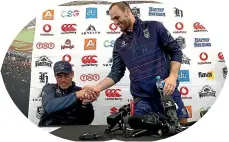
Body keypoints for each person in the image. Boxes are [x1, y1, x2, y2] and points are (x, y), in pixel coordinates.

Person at [82, 1, 189, 125]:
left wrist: (172, 77)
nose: (115, 23)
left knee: (180, 126)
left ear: (128, 12)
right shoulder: (119, 44)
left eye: (117, 17)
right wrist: (96, 88)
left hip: (167, 91)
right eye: (112, 20)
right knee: (142, 135)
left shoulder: (154, 27)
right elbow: (116, 73)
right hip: (142, 100)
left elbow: (176, 51)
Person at [38, 61, 94, 127]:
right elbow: (49, 106)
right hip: (50, 128)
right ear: (55, 76)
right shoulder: (49, 88)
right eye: (59, 76)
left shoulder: (80, 91)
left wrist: (85, 105)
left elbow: (86, 121)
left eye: (66, 76)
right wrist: (76, 95)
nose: (63, 80)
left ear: (72, 74)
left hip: (72, 130)